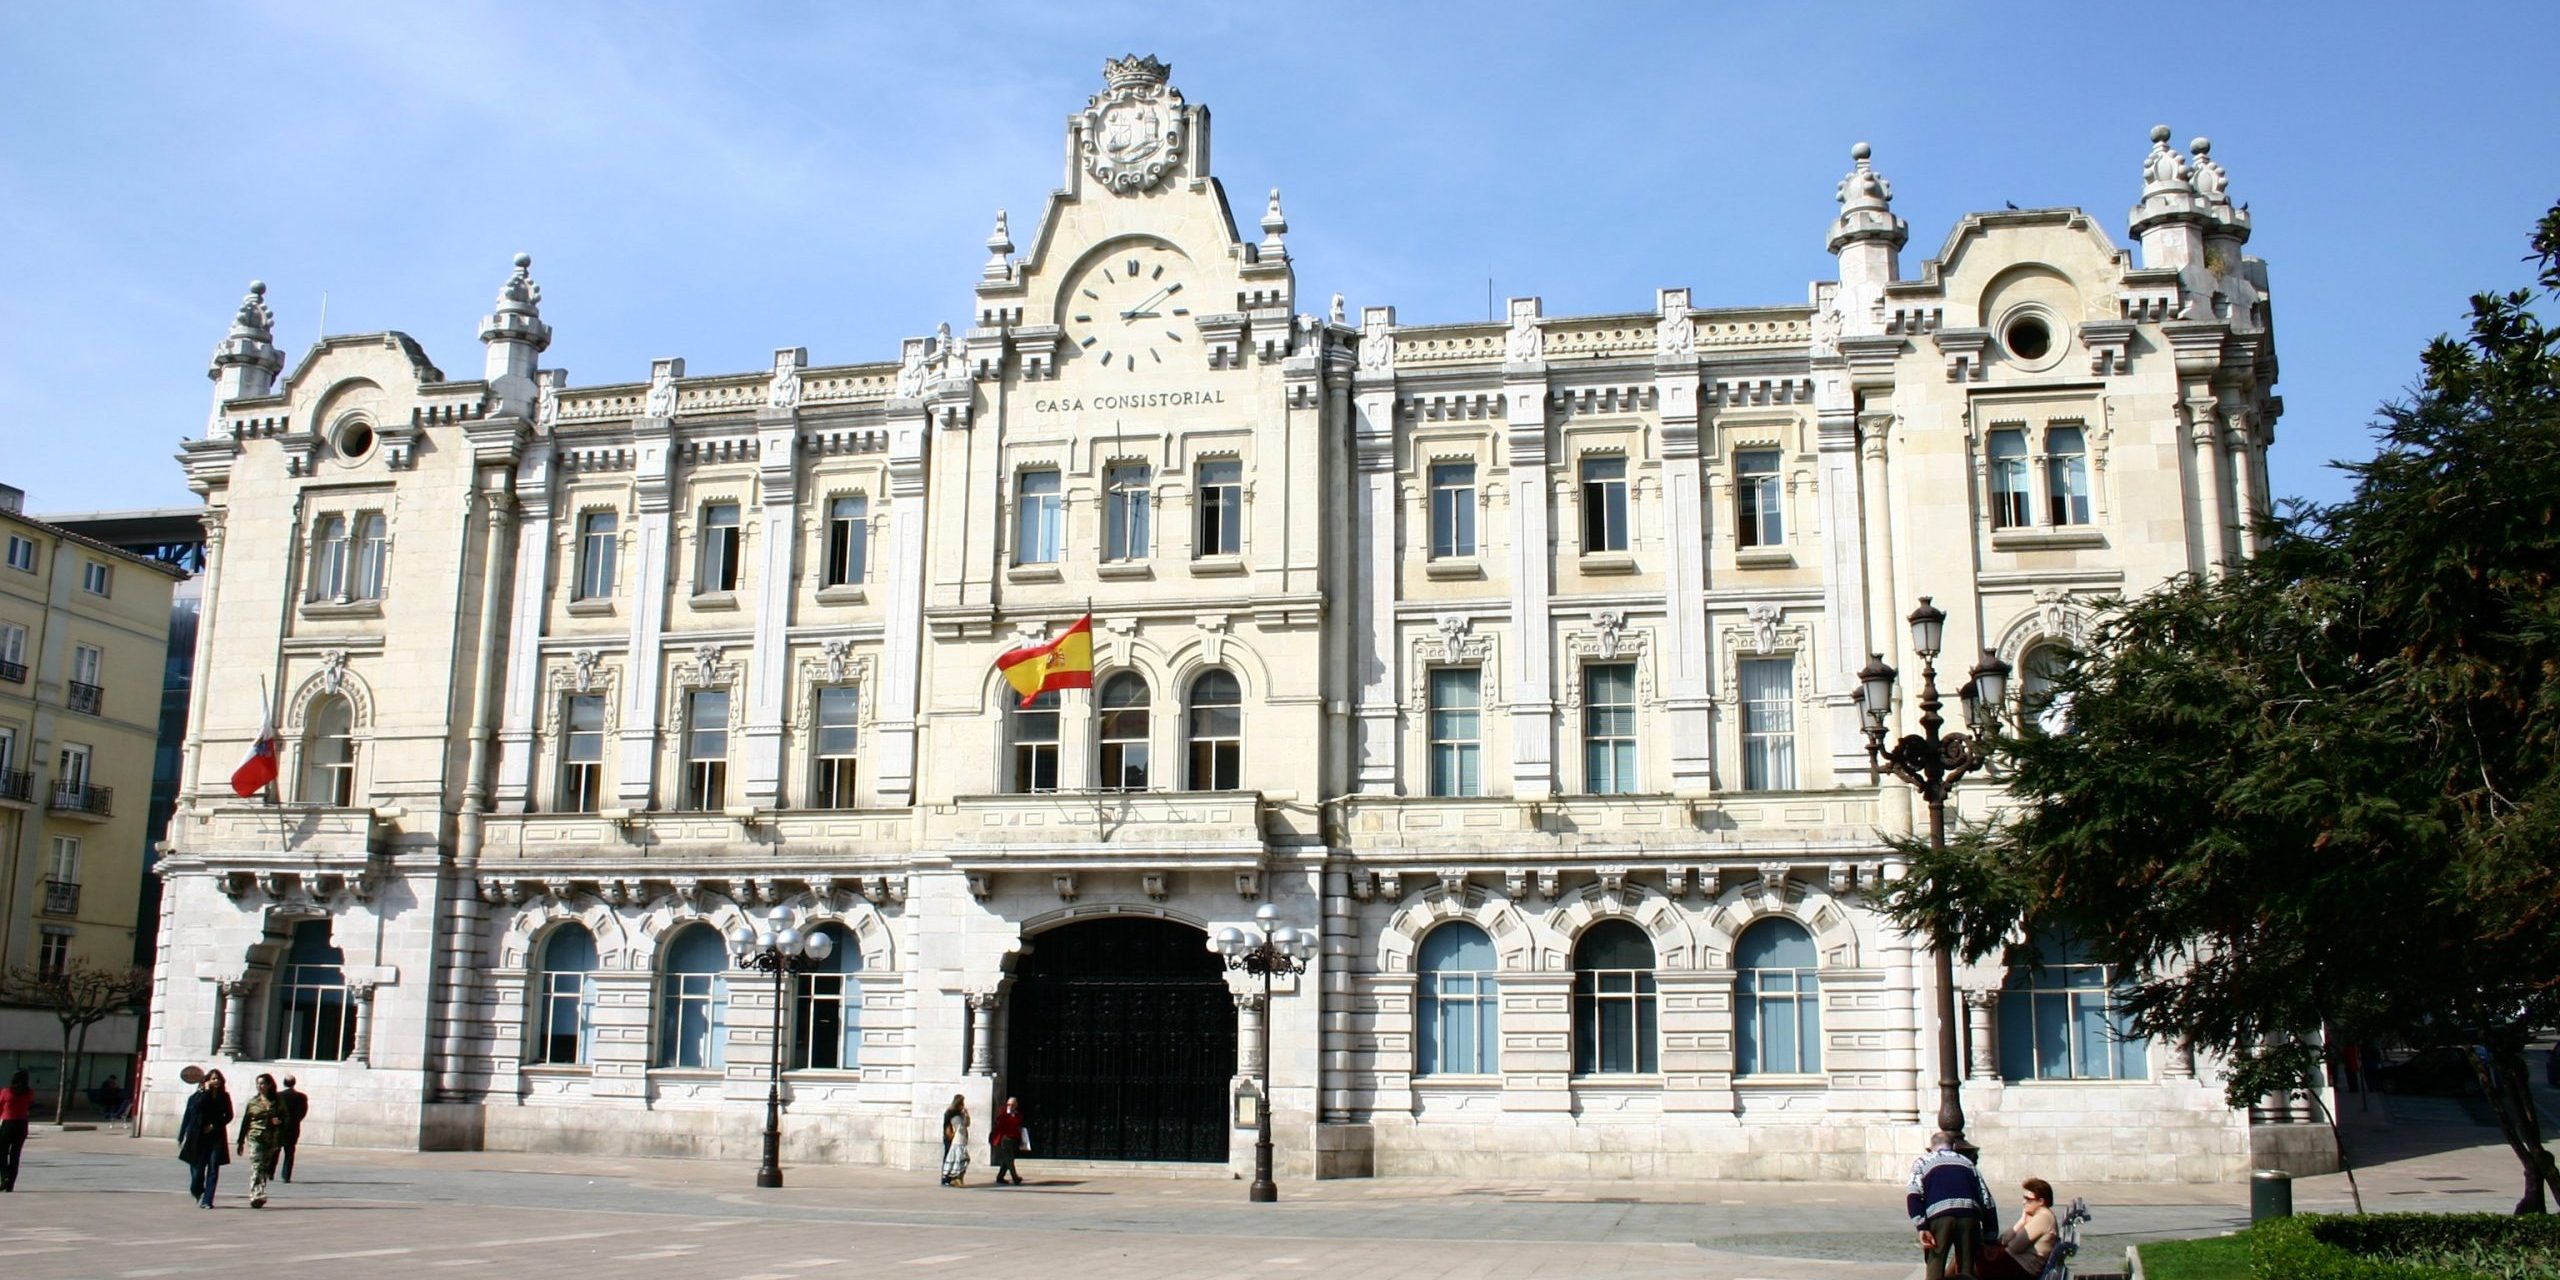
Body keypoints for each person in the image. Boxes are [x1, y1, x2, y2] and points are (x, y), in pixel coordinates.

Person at [1907, 1131, 1997, 1280]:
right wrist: (1990, 1235)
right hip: (1969, 1215)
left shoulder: (1922, 1162)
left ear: (1930, 1148)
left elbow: (1913, 1194)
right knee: (1966, 1267)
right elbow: (1986, 1200)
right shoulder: (1967, 1163)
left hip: (1939, 1215)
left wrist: (1921, 1226)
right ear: (1954, 1146)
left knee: (1936, 1263)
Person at [1980, 1177, 2059, 1279]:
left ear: (2041, 1201)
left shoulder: (2043, 1217)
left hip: (2019, 1270)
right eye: (2023, 1198)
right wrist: (2021, 1221)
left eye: (2028, 1199)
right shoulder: (2037, 1216)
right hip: (2014, 1265)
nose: (2023, 1202)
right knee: (1968, 1253)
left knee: (1967, 1256)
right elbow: (2003, 1240)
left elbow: (2015, 1247)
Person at [176, 1069, 233, 1209]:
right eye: (213, 1079)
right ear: (206, 1081)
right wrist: (181, 1135)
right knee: (197, 1169)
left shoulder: (224, 1097)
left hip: (216, 1136)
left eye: (218, 1079)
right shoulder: (197, 1097)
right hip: (198, 1137)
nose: (216, 1081)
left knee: (213, 1168)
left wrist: (214, 1126)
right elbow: (191, 1114)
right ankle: (196, 1189)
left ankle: (207, 1200)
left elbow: (229, 1115)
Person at [235, 1074, 286, 1209]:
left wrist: (279, 1121)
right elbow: (246, 1121)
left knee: (265, 1166)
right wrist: (240, 1140)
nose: (260, 1086)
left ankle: (260, 1191)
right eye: (258, 1084)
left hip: (271, 1138)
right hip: (255, 1136)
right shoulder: (253, 1102)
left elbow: (286, 1117)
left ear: (269, 1084)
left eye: (263, 1083)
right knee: (257, 1164)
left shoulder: (278, 1101)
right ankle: (256, 1195)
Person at [1, 1069, 33, 1192]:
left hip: (8, 1124)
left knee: (2, 1152)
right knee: (15, 1154)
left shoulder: (6, 1092)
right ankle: (10, 1184)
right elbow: (28, 1103)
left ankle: (4, 1176)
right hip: (22, 1125)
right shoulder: (29, 1093)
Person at [988, 1097, 1027, 1186]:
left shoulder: (1017, 1115)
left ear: (1016, 1105)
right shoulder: (1003, 1114)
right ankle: (1015, 1177)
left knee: (1007, 1159)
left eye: (1012, 1105)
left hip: (1014, 1139)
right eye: (1008, 1104)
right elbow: (999, 1126)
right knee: (1009, 1159)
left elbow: (1018, 1125)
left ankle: (1000, 1177)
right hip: (1005, 1139)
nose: (1010, 1106)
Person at [277, 1075, 308, 1182]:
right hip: (293, 1127)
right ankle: (286, 1175)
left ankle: (270, 1172)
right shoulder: (301, 1097)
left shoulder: (278, 1096)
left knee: (275, 1150)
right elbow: (303, 1113)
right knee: (289, 1153)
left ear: (284, 1083)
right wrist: (295, 1121)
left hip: (279, 1127)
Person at [940, 1095, 971, 1187]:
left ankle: (953, 1178)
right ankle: (946, 1178)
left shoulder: (960, 1113)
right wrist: (949, 1134)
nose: (963, 1104)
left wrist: (966, 1114)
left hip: (959, 1138)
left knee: (956, 1159)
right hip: (951, 1137)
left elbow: (966, 1124)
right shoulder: (950, 1112)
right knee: (949, 1157)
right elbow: (948, 1125)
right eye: (962, 1102)